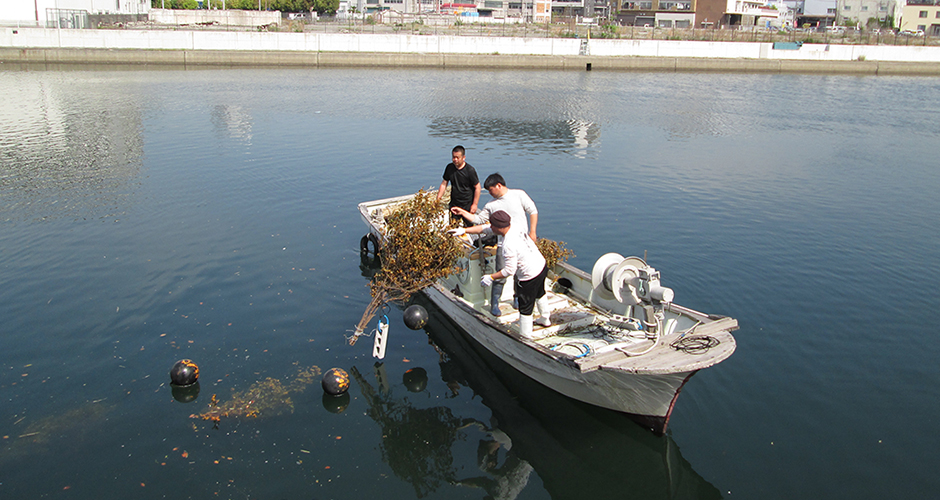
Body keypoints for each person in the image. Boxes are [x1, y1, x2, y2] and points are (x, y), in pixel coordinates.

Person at [450, 211, 551, 339]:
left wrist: (491, 277)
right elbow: (485, 228)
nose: (490, 228)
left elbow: (509, 270)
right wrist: (464, 230)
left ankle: (525, 337)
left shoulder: (508, 244)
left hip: (528, 275)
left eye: (493, 226)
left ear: (499, 227)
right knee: (540, 292)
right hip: (541, 265)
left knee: (525, 306)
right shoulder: (513, 225)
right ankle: (545, 318)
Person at [450, 173, 538, 316]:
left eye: (491, 190)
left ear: (499, 185)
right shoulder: (491, 205)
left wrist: (532, 232)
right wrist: (463, 213)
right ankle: (495, 303)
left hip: (522, 242)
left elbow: (533, 211)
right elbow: (479, 220)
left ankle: (517, 298)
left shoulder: (519, 195)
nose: (490, 193)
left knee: (520, 274)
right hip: (504, 245)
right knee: (500, 274)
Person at [436, 145, 480, 226]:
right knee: (453, 226)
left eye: (457, 157)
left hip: (467, 204)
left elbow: (477, 187)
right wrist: (438, 199)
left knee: (469, 227)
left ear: (463, 157)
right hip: (454, 203)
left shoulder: (470, 170)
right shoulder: (449, 168)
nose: (455, 160)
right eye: (453, 157)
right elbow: (444, 183)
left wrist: (475, 204)